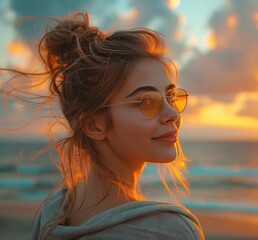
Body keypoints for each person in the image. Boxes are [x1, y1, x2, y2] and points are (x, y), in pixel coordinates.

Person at [1, 12, 204, 239]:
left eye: (170, 96)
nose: (172, 114)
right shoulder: (168, 230)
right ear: (94, 126)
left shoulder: (54, 211)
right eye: (146, 102)